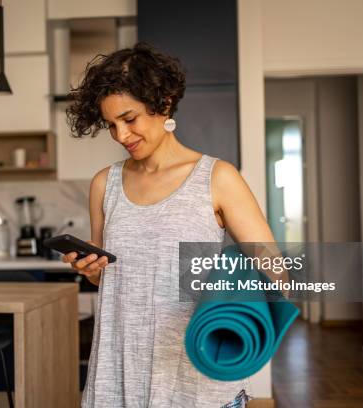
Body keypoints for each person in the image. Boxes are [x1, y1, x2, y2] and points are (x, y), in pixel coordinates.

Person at [63, 43, 278, 408]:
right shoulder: (105, 184)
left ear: (163, 104)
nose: (121, 136)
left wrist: (225, 291)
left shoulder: (217, 177)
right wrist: (91, 270)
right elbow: (105, 276)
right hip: (119, 378)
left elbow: (276, 272)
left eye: (129, 119)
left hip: (196, 379)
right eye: (111, 125)